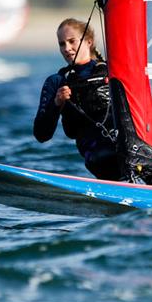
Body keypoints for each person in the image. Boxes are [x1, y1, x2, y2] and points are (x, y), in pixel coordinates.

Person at [33, 18, 121, 181]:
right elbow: (41, 134)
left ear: (88, 42)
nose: (66, 48)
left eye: (72, 41)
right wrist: (57, 103)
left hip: (130, 149)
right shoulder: (58, 82)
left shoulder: (114, 71)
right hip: (97, 156)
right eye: (61, 44)